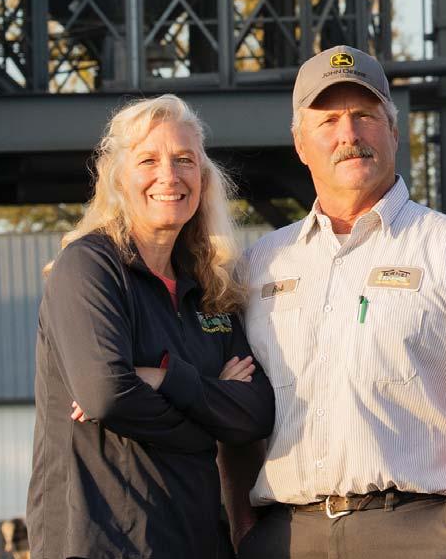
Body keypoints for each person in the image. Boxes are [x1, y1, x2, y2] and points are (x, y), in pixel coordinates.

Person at [221, 45, 446, 559]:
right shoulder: (260, 266)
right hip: (285, 536)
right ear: (300, 144)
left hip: (419, 534)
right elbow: (232, 413)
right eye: (327, 121)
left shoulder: (443, 249)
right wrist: (244, 530)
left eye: (365, 116)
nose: (349, 135)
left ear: (393, 131)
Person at [26, 94, 275, 559]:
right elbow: (106, 395)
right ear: (119, 178)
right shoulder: (90, 267)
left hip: (198, 541)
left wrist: (163, 378)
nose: (170, 175)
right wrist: (210, 414)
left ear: (203, 179)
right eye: (148, 160)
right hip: (105, 542)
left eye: (185, 160)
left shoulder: (210, 284)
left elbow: (256, 413)